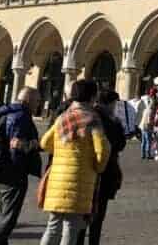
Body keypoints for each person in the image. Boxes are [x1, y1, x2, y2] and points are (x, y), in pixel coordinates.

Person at [38, 80, 110, 245]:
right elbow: (102, 150)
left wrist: (62, 153)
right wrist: (97, 167)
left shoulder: (62, 118)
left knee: (53, 225)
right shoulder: (92, 119)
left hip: (57, 180)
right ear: (92, 97)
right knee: (71, 227)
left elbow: (45, 143)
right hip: (79, 181)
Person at [0, 87, 42, 245]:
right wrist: (37, 144)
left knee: (3, 215)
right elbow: (16, 146)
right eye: (37, 101)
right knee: (8, 220)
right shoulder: (21, 117)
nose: (39, 104)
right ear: (27, 100)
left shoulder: (8, 112)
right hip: (12, 174)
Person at [76, 89, 126, 245]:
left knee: (82, 213)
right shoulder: (111, 122)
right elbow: (119, 144)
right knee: (97, 216)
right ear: (110, 103)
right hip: (104, 172)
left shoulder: (86, 116)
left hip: (85, 171)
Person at [138, 88, 156, 160]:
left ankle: (143, 154)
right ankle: (148, 154)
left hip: (142, 126)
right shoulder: (151, 110)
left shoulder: (146, 109)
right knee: (148, 141)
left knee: (144, 141)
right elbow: (149, 120)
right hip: (147, 126)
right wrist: (151, 125)